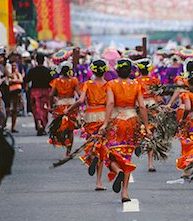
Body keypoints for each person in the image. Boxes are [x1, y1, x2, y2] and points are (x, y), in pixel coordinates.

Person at [99, 59, 152, 203]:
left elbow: (110, 103)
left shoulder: (111, 84)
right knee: (127, 157)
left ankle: (117, 171)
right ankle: (125, 193)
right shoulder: (136, 85)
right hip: (132, 122)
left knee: (110, 153)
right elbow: (142, 107)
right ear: (130, 71)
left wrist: (105, 123)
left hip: (116, 121)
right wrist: (146, 127)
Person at [66, 59, 109, 191]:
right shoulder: (108, 85)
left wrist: (69, 109)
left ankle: (90, 155)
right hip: (103, 115)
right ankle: (98, 182)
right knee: (102, 147)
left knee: (92, 142)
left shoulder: (87, 84)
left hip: (90, 116)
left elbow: (80, 100)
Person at [135, 58, 163, 172]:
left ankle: (140, 142)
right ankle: (150, 163)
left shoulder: (135, 81)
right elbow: (159, 97)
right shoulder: (155, 80)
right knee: (151, 133)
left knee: (140, 130)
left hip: (139, 106)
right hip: (152, 107)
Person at [49, 61, 80, 155]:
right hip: (71, 106)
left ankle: (63, 141)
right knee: (71, 129)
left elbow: (51, 95)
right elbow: (79, 94)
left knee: (59, 127)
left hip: (60, 105)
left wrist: (51, 105)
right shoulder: (74, 80)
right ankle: (69, 151)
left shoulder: (57, 81)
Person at [24, 53, 52, 136]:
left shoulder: (32, 70)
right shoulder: (48, 71)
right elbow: (52, 82)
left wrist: (26, 88)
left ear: (36, 60)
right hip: (46, 92)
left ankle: (39, 123)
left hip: (34, 91)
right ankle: (42, 125)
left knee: (36, 108)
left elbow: (26, 80)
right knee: (44, 109)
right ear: (43, 60)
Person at [8, 61, 23, 133]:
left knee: (15, 110)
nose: (13, 67)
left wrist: (14, 80)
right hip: (9, 92)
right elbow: (9, 81)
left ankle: (12, 127)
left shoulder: (17, 74)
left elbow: (21, 80)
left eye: (15, 66)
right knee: (7, 109)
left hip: (16, 92)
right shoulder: (9, 74)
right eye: (12, 66)